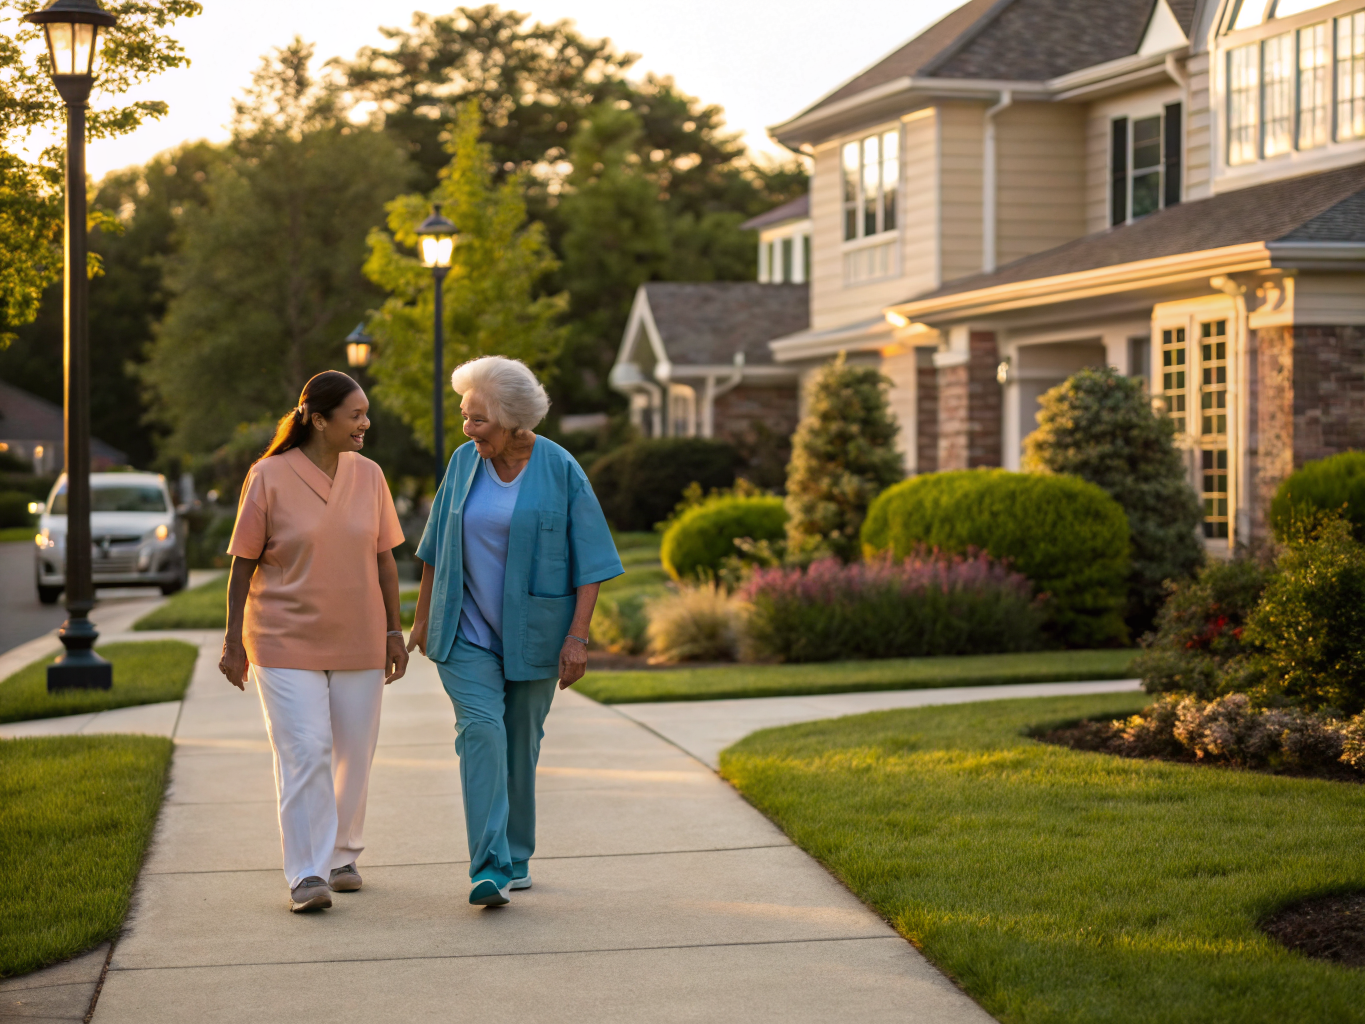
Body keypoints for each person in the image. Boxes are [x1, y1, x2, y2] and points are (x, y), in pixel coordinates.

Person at [408, 356, 622, 906]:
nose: (467, 429)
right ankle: (489, 866)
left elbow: (592, 559)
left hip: (538, 634)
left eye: (478, 419)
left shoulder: (560, 468)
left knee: (521, 744)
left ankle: (517, 854)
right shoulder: (463, 463)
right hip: (465, 630)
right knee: (481, 733)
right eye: (464, 416)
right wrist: (421, 617)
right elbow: (435, 546)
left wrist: (578, 638)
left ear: (510, 420)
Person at [219, 370, 409, 913]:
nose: (365, 423)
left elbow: (384, 561)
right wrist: (234, 642)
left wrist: (394, 631)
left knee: (353, 752)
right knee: (305, 750)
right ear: (318, 419)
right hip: (283, 638)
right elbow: (242, 565)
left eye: (366, 413)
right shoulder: (268, 476)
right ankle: (307, 873)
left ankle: (343, 855)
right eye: (355, 415)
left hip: (359, 637)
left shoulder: (369, 476)